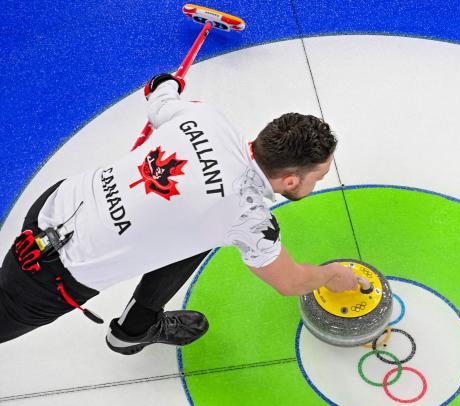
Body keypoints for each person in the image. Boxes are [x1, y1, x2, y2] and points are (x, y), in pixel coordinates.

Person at [0, 73, 363, 353]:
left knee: (203, 228)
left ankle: (136, 326)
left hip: (56, 203)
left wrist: (168, 83)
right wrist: (332, 275)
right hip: (51, 274)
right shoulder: (250, 216)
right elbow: (289, 283)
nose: (317, 183)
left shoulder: (207, 118)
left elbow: (158, 92)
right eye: (317, 177)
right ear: (289, 180)